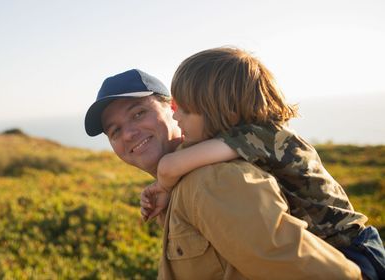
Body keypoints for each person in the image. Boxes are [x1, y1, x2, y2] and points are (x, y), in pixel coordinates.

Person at [85, 68, 362, 279]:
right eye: (115, 131)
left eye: (137, 114)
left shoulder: (212, 179)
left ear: (173, 109)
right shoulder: (179, 184)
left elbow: (306, 268)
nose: (129, 134)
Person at [140, 47, 385, 279]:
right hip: (334, 248)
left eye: (185, 109)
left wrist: (163, 186)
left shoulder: (261, 136)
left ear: (227, 110)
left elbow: (170, 166)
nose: (175, 115)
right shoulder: (251, 135)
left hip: (353, 252)